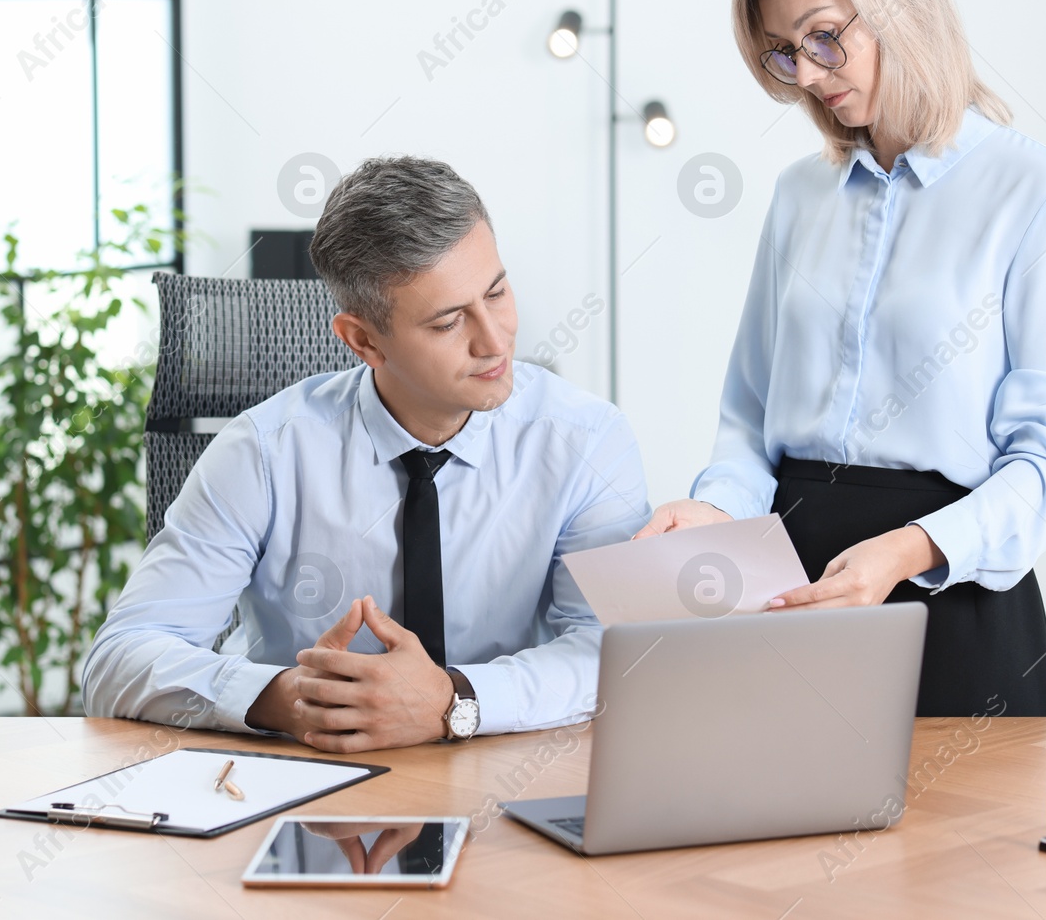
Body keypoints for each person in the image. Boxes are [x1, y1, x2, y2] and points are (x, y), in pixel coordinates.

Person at [635, 0, 1046, 717]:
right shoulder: (798, 196)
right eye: (785, 51)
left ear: (903, 5)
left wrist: (906, 551)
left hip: (952, 599)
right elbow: (749, 424)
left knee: (955, 849)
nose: (809, 75)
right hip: (791, 593)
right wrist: (713, 509)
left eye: (825, 38)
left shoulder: (1034, 193)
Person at [83, 156, 648, 751]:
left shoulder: (587, 440)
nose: (495, 338)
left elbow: (614, 649)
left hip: (503, 781)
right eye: (449, 321)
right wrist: (292, 698)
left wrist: (453, 700)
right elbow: (118, 661)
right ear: (363, 339)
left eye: (497, 291)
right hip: (306, 791)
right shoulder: (264, 453)